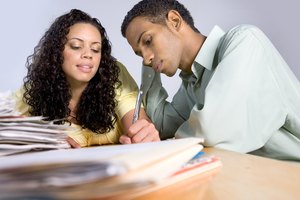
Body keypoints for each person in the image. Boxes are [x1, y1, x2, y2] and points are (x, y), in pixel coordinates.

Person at [120, 0, 300, 161]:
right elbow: (160, 125)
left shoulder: (244, 42)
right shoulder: (190, 86)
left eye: (148, 40)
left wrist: (170, 142)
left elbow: (211, 128)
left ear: (174, 21)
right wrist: (149, 66)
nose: (145, 58)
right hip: (259, 178)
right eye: (138, 53)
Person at [13, 9, 160, 148]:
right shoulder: (35, 91)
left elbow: (136, 121)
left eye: (95, 49)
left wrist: (143, 133)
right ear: (56, 51)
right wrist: (39, 135)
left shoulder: (113, 75)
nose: (88, 54)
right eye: (76, 46)